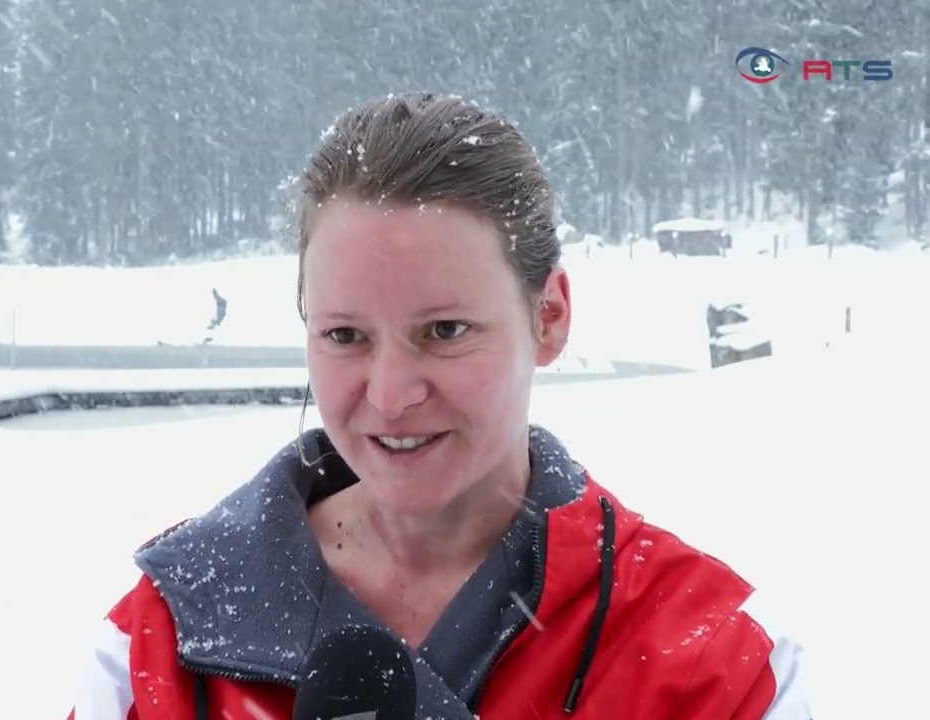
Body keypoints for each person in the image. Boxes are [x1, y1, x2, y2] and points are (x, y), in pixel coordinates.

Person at [64, 93, 811, 719]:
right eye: (345, 334)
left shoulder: (715, 660)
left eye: (445, 331)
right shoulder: (159, 645)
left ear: (548, 316)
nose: (389, 395)